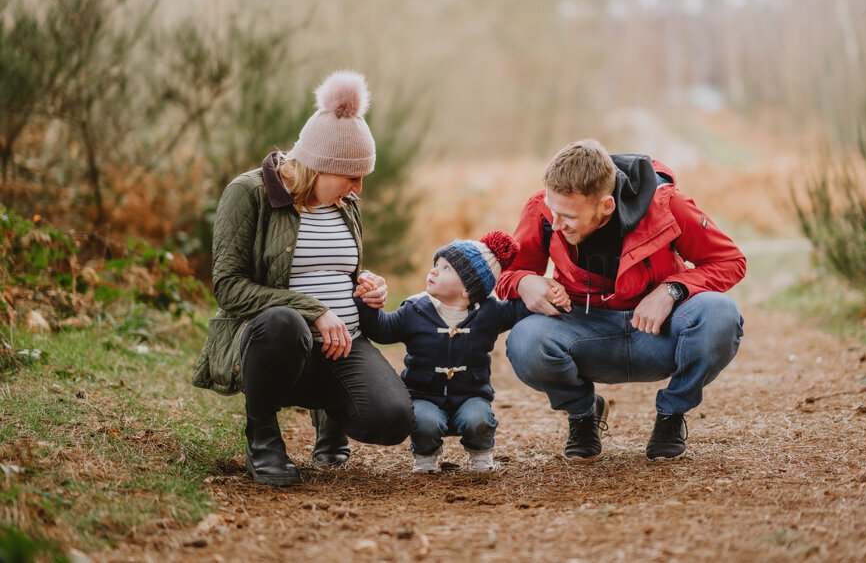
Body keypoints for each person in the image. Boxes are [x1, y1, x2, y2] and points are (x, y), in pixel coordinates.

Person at [191, 70, 414, 486]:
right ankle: (262, 439)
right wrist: (312, 310)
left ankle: (329, 414)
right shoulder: (249, 193)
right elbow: (229, 286)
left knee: (392, 420)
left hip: (342, 342)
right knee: (284, 322)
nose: (358, 188)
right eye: (352, 176)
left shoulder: (344, 204)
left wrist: (366, 286)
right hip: (276, 342)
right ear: (322, 166)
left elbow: (335, 268)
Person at [495, 139, 745, 461]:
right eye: (553, 210)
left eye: (568, 216)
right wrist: (524, 281)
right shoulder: (543, 211)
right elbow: (508, 274)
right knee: (525, 341)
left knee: (720, 314)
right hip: (584, 333)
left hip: (658, 332)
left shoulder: (667, 205)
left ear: (606, 206)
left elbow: (730, 261)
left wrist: (672, 291)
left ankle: (672, 414)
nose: (556, 224)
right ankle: (583, 414)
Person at [357, 231, 556, 473]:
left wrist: (551, 293)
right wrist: (367, 304)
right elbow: (382, 330)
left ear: (468, 290)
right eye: (436, 265)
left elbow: (523, 307)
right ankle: (425, 457)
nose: (433, 271)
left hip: (471, 394)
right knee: (423, 421)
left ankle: (481, 455)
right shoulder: (415, 310)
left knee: (479, 420)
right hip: (424, 395)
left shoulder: (489, 313)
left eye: (446, 268)